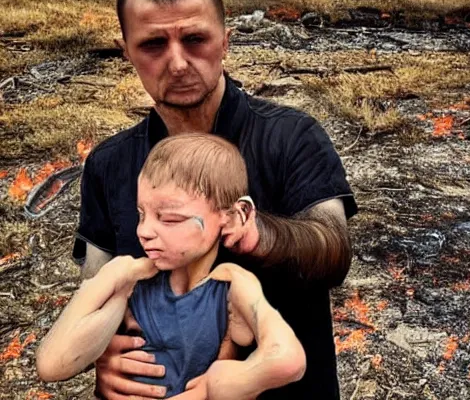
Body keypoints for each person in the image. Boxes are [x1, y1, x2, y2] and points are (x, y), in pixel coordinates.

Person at [72, 0, 358, 400]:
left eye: (194, 38)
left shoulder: (291, 137)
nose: (178, 61)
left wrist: (261, 235)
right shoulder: (109, 164)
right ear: (125, 50)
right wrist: (104, 353)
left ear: (225, 40)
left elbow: (335, 249)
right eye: (152, 44)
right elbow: (97, 288)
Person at [37, 134, 306, 399]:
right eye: (141, 214)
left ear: (234, 217)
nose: (144, 231)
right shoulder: (133, 284)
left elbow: (287, 359)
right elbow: (52, 365)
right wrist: (110, 278)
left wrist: (223, 384)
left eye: (169, 218)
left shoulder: (230, 287)